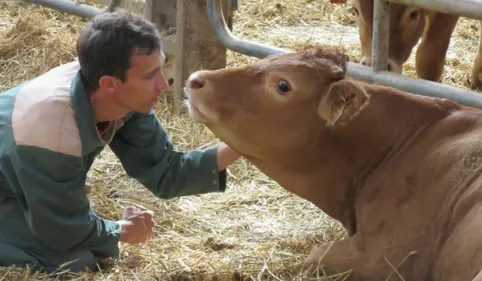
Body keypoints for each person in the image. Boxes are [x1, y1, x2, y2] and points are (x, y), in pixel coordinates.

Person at [0, 11, 241, 273]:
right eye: (151, 75)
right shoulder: (50, 128)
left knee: (83, 253)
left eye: (162, 67)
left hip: (18, 187)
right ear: (110, 84)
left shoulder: (122, 97)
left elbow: (168, 171)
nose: (164, 83)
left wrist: (243, 143)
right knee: (74, 263)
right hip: (8, 192)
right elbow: (61, 228)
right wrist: (121, 231)